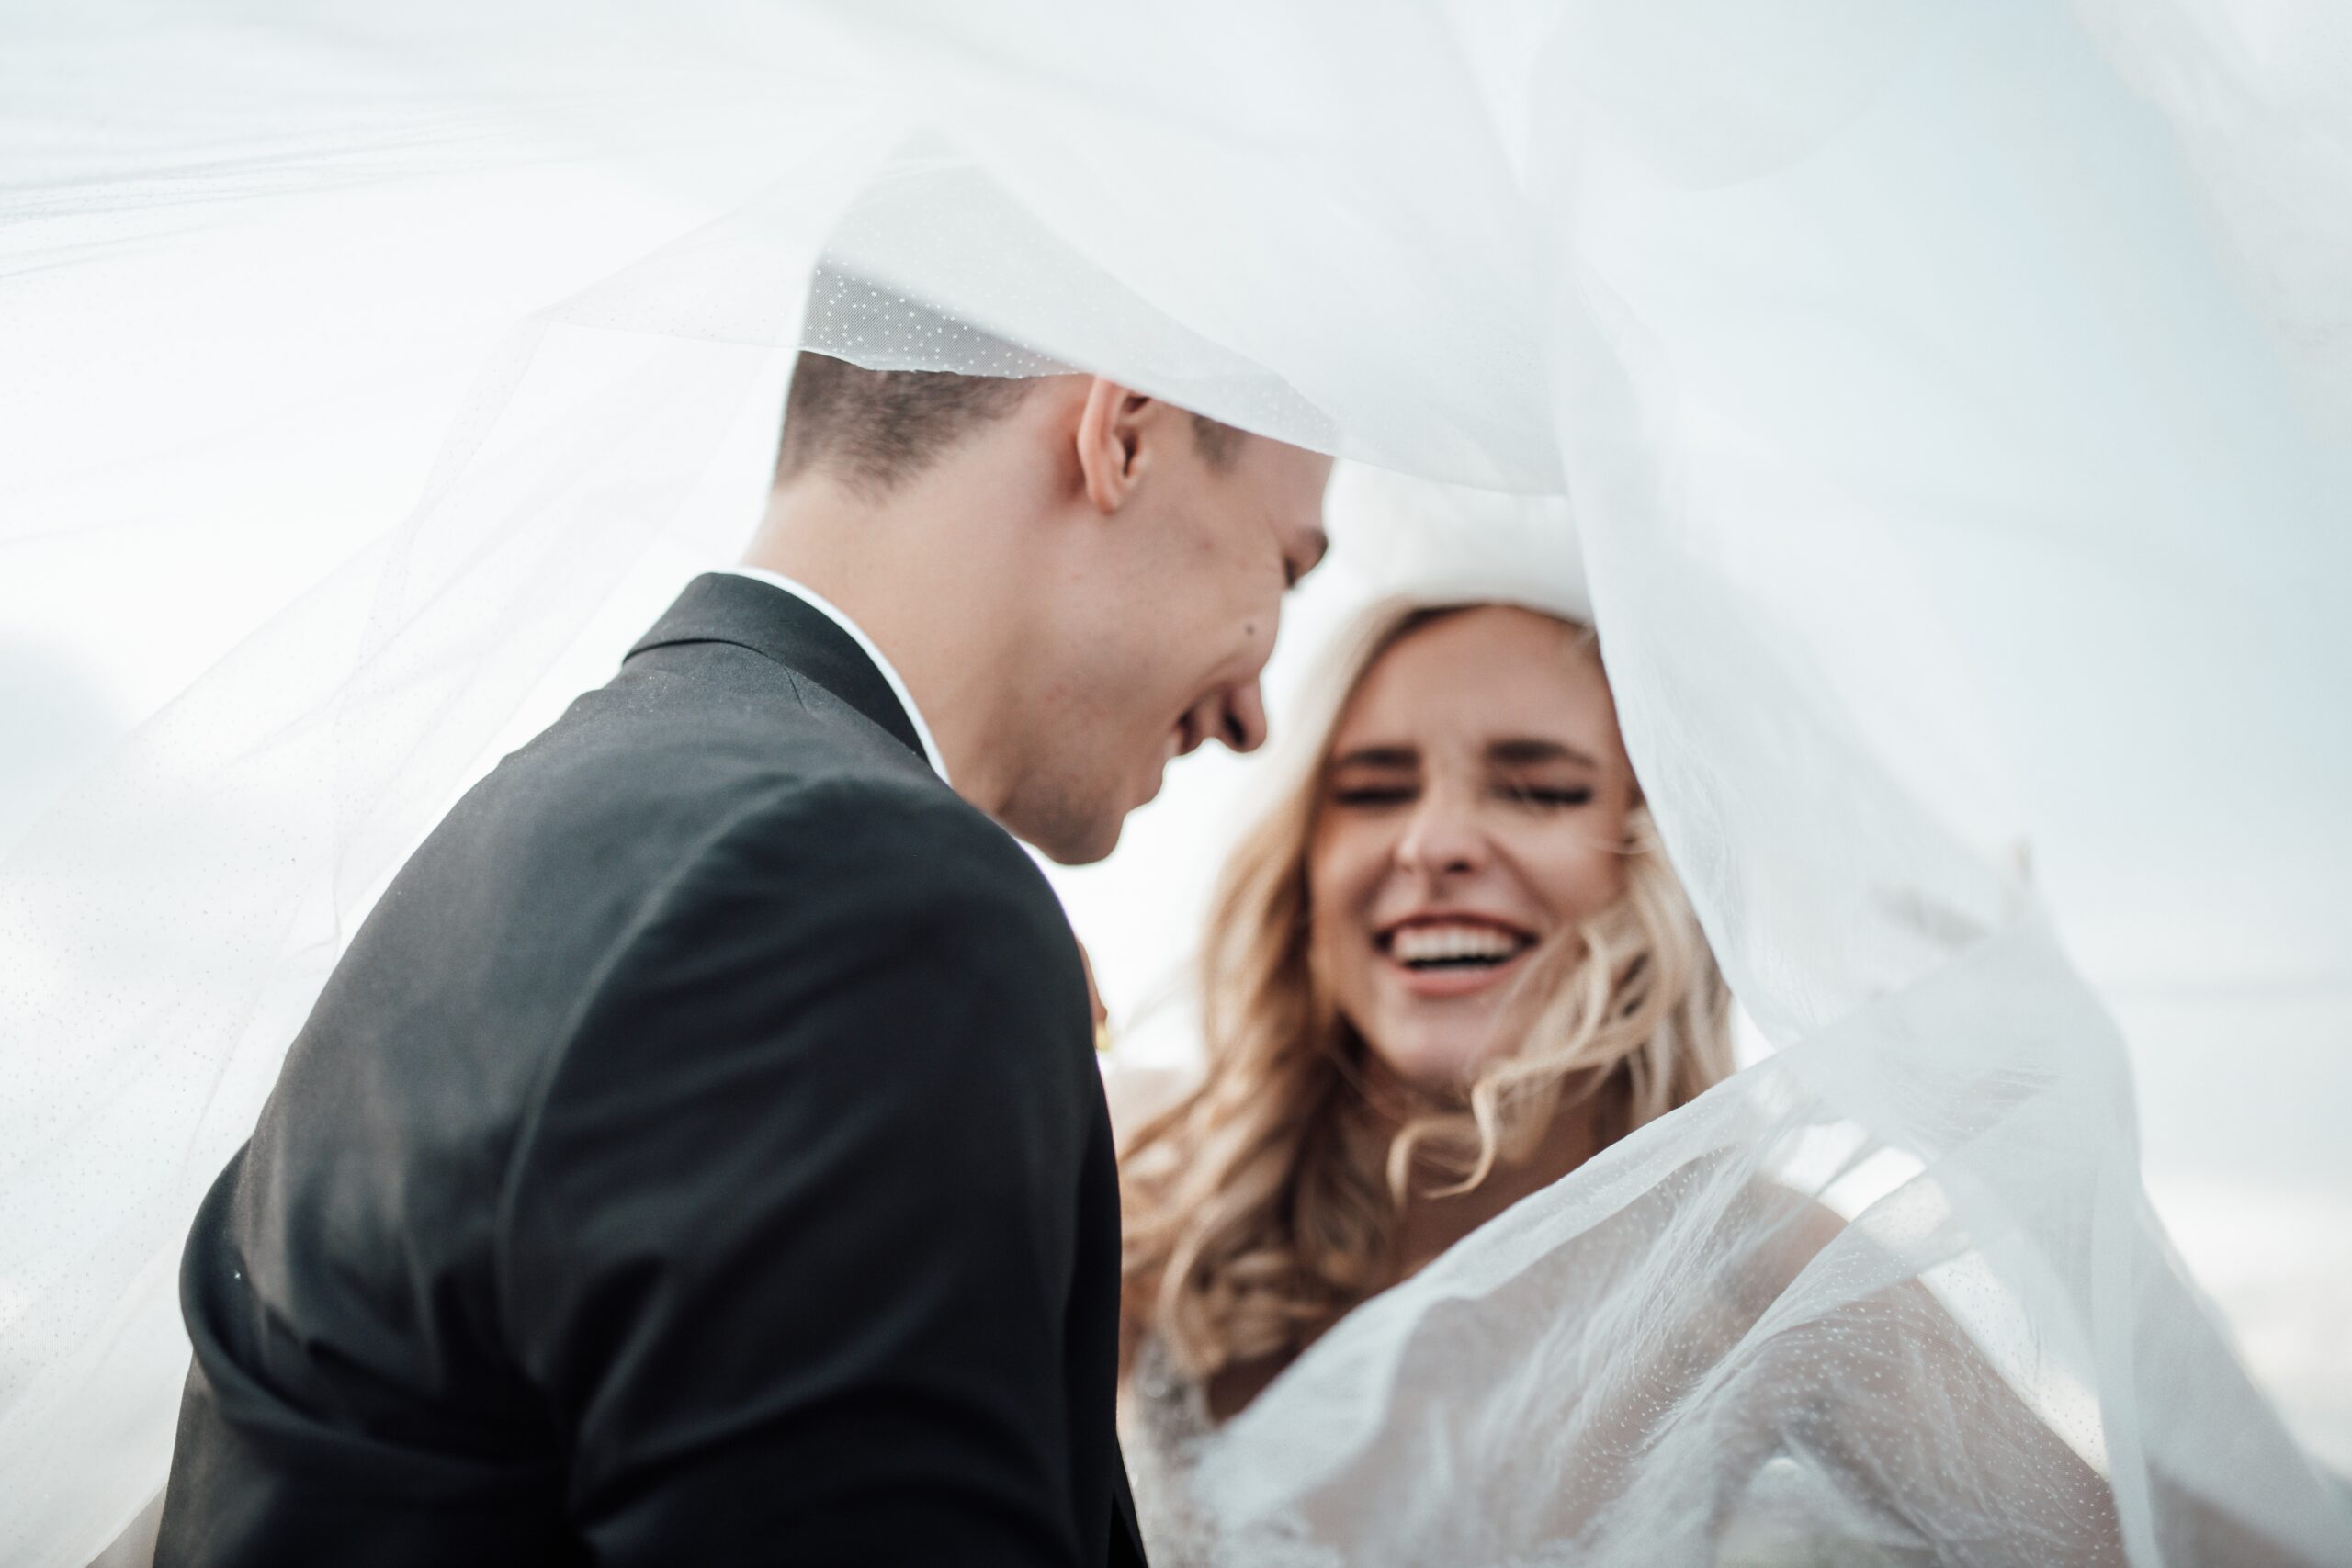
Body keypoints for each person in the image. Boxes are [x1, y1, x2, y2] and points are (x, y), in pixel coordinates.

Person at [151, 349, 1331, 1565]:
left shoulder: (569, 812)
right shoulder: (862, 895)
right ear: (1125, 430)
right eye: (1285, 564)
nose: (1255, 713)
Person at [1110, 597, 2165, 1566]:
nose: (1430, 844)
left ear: (1656, 863)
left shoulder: (1760, 1271)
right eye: (1372, 791)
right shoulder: (1148, 1181)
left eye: (1538, 789)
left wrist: (2071, 1187)